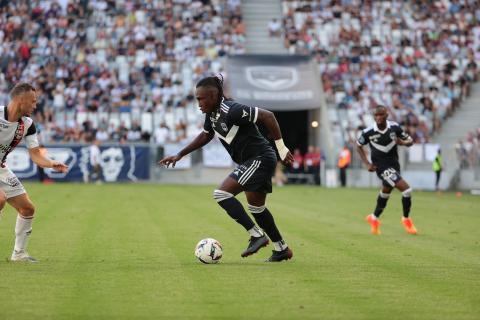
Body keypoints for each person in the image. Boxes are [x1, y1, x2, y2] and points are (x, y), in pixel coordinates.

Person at [159, 75, 295, 262]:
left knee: (221, 194)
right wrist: (180, 154)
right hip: (251, 161)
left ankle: (256, 235)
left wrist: (281, 147)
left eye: (201, 98)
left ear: (214, 95)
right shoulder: (212, 114)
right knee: (257, 209)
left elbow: (267, 116)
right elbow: (206, 136)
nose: (198, 103)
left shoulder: (232, 110)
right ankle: (282, 249)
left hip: (260, 158)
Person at [0, 83, 68, 262]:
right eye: (33, 101)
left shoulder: (28, 125)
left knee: (27, 208)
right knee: (0, 199)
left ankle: (19, 254)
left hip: (1, 167)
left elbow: (36, 155)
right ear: (21, 100)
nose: (35, 105)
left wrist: (52, 164)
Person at [356, 105, 417, 235]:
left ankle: (373, 218)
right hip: (381, 166)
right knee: (407, 190)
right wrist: (367, 163)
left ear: (386, 115)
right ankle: (406, 219)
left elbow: (410, 141)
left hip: (394, 165)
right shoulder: (368, 132)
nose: (378, 117)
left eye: (381, 115)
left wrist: (403, 143)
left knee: (385, 192)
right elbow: (358, 146)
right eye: (376, 115)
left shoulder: (394, 127)